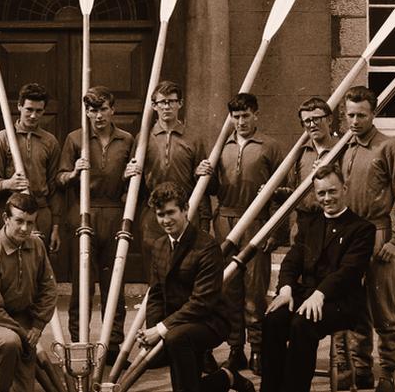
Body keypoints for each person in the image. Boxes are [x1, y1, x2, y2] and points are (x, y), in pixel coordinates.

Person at [260, 164, 375, 392]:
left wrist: (320, 294)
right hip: (307, 295)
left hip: (342, 302)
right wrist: (285, 290)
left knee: (302, 324)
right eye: (321, 193)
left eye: (332, 191)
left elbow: (348, 272)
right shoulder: (309, 224)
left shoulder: (362, 229)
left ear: (344, 188)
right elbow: (292, 261)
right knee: (273, 319)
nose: (327, 198)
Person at [195, 93, 285, 374]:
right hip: (226, 219)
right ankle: (236, 349)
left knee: (254, 290)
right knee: (228, 289)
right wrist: (204, 174)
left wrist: (274, 229)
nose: (241, 121)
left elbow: (283, 192)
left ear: (256, 115)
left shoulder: (269, 146)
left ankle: (258, 348)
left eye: (246, 115)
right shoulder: (222, 145)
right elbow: (212, 190)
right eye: (236, 117)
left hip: (256, 223)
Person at [337, 86, 395, 392]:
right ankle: (361, 366)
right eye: (350, 115)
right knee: (354, 305)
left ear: (374, 114)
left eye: (361, 115)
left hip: (377, 232)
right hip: (349, 235)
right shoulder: (346, 147)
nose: (355, 121)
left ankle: (387, 371)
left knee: (382, 306)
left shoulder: (388, 147)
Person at [139, 182, 254, 392]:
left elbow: (202, 302)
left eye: (171, 212)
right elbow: (155, 294)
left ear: (185, 210)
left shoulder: (206, 246)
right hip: (177, 323)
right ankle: (226, 377)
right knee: (186, 386)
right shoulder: (159, 246)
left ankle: (225, 377)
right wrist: (152, 330)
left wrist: (161, 329)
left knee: (175, 339)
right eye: (160, 214)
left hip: (211, 320)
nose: (166, 220)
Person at [57, 86, 133, 362]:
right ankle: (79, 343)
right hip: (84, 214)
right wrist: (75, 171)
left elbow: (134, 183)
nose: (97, 115)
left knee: (115, 285)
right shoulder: (75, 139)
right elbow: (60, 178)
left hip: (114, 213)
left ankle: (113, 347)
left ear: (112, 109)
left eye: (102, 109)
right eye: (91, 109)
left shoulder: (126, 139)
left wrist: (129, 175)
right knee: (82, 286)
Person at [0, 193, 58, 392]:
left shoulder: (37, 246)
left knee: (23, 389)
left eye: (30, 223)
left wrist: (37, 325)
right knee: (10, 343)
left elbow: (49, 289)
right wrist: (25, 334)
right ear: (5, 219)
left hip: (24, 322)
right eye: (19, 221)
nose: (25, 229)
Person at [124, 80, 211, 257]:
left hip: (186, 211)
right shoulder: (143, 139)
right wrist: (127, 175)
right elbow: (132, 184)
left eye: (171, 101)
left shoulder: (193, 139)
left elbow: (202, 182)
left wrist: (204, 219)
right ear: (154, 106)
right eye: (162, 102)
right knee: (153, 267)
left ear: (180, 103)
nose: (166, 106)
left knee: (185, 265)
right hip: (153, 213)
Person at [0, 83, 62, 253]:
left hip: (40, 213)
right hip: (12, 213)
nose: (33, 115)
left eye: (39, 111)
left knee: (38, 267)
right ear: (19, 106)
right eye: (29, 109)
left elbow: (54, 188)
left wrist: (55, 226)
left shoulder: (50, 142)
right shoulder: (3, 138)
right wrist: (8, 184)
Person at [275, 97, 340, 241]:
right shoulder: (300, 153)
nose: (312, 125)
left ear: (329, 120)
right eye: (307, 121)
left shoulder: (342, 149)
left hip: (334, 223)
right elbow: (293, 189)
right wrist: (278, 193)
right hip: (303, 224)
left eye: (317, 119)